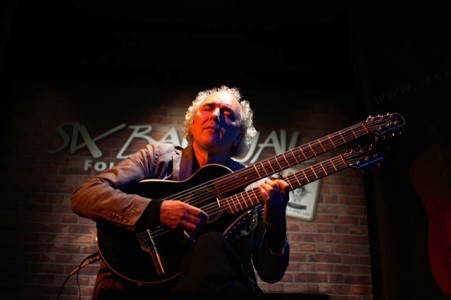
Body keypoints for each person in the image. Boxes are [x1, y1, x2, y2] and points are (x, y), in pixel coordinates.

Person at [71, 85, 291, 299]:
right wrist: (155, 211)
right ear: (193, 123)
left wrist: (276, 223)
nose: (215, 116)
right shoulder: (157, 158)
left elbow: (271, 274)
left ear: (238, 136)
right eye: (208, 108)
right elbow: (86, 194)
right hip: (147, 282)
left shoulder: (252, 184)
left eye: (227, 113)